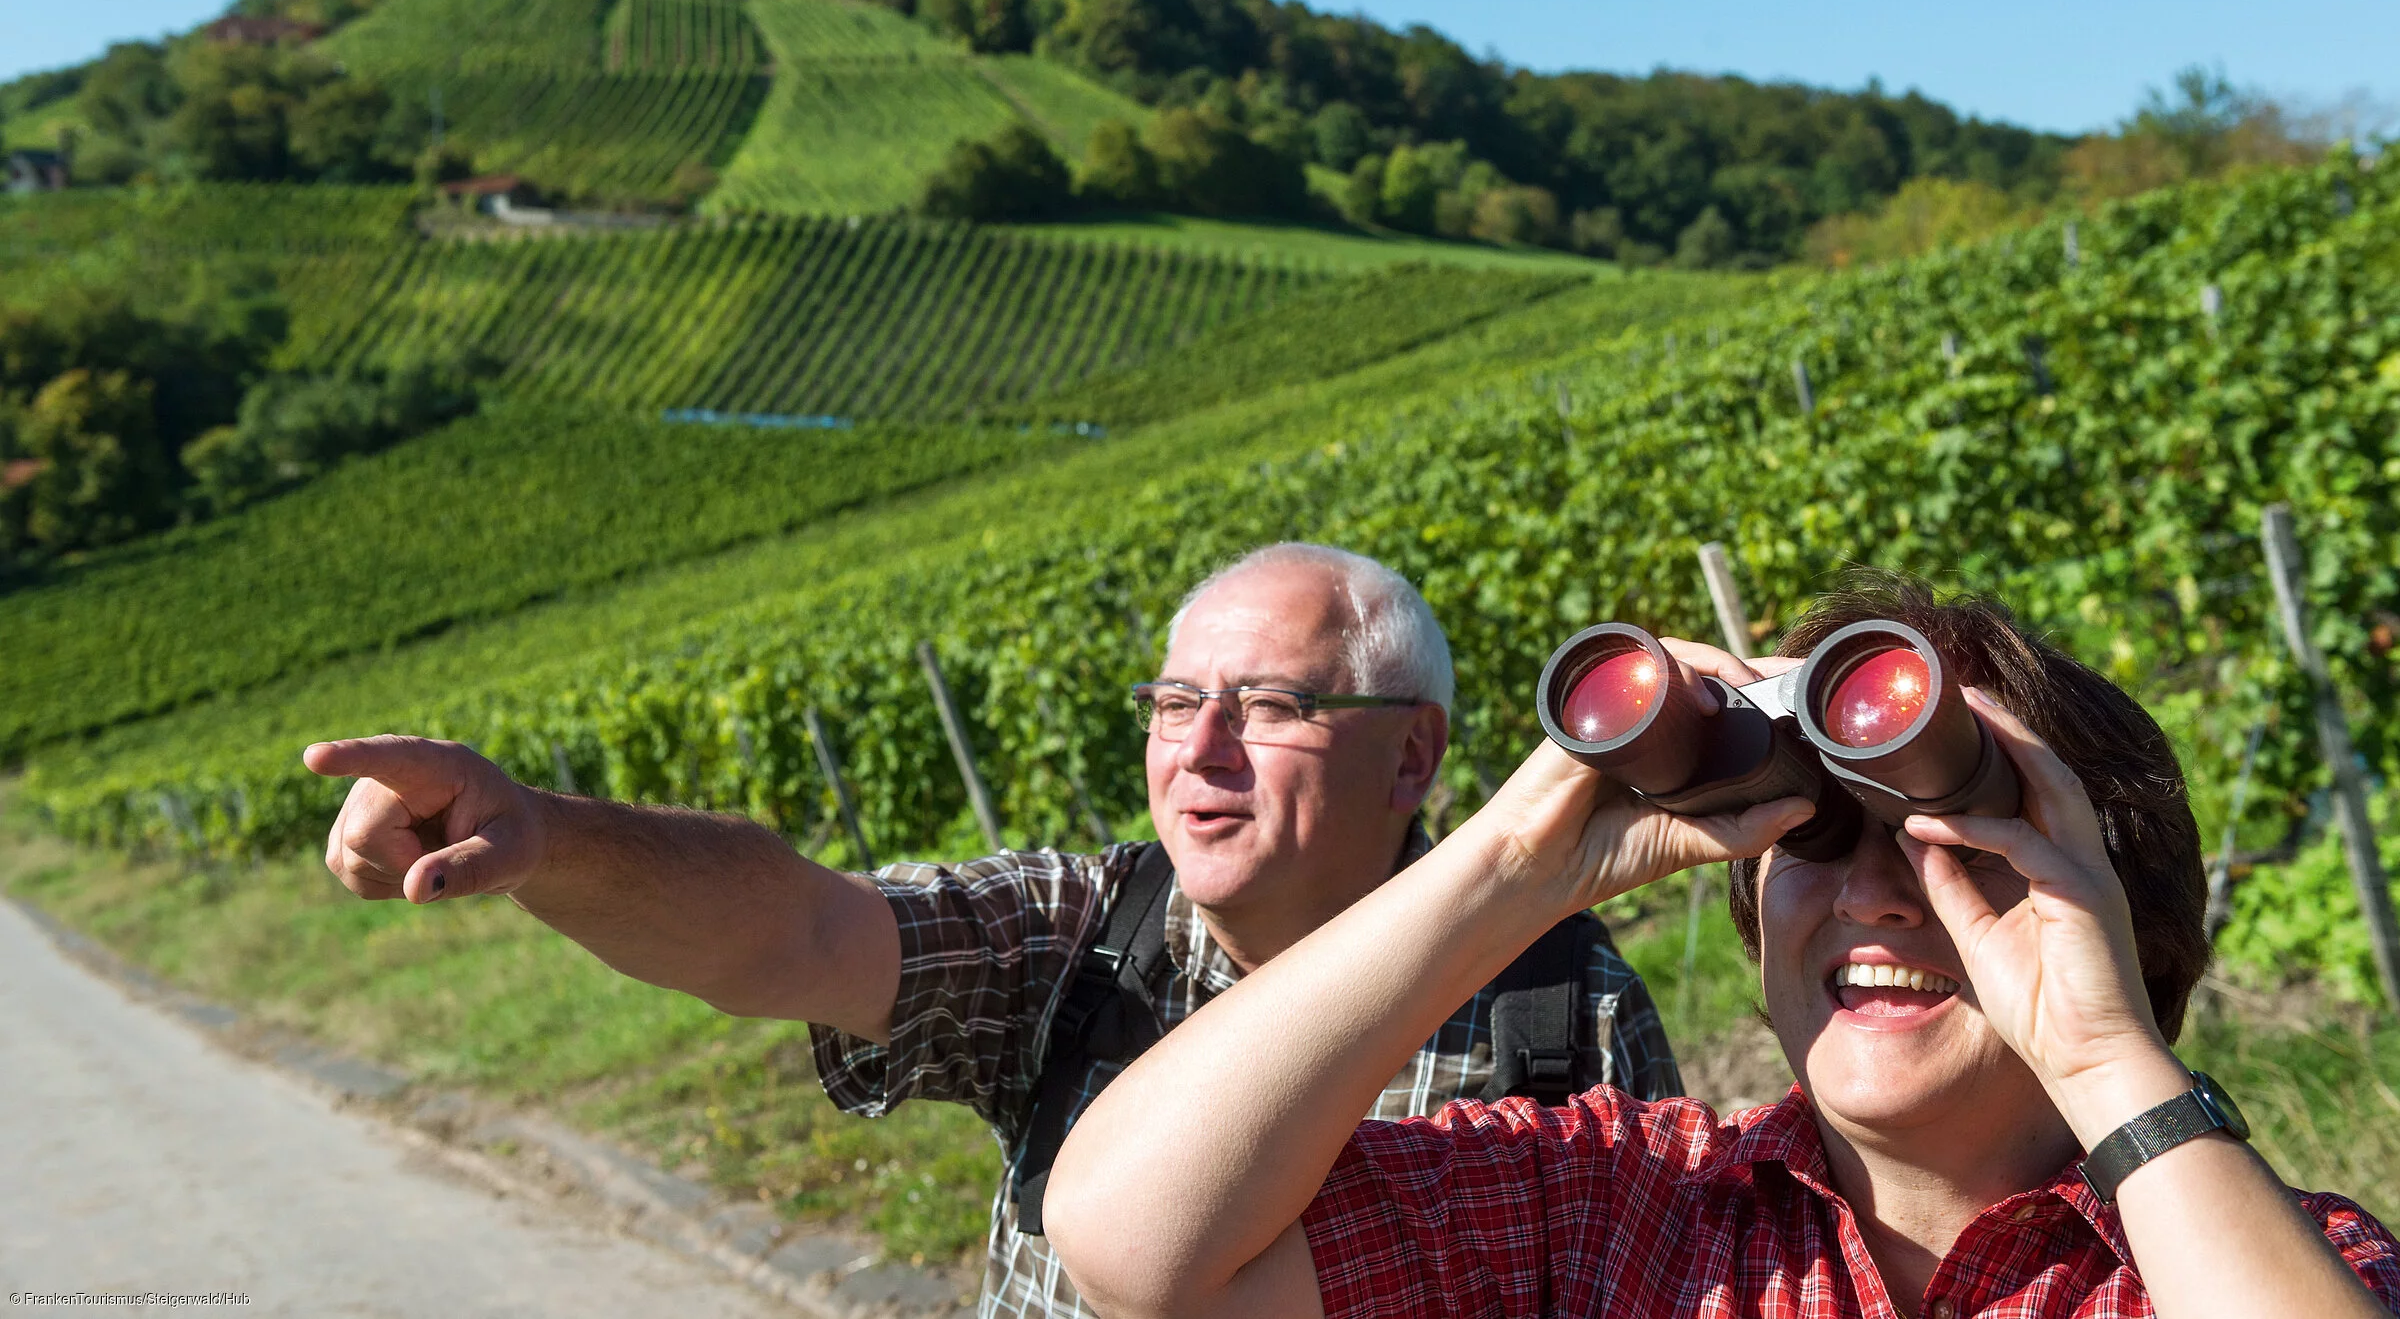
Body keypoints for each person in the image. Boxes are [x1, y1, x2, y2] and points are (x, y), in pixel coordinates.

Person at [310, 542, 1683, 1318]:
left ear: (1413, 758)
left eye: (1267, 706)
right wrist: (547, 838)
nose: (1199, 751)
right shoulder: (1083, 932)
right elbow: (793, 930)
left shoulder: (1559, 1006)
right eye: (1170, 702)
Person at [1042, 577, 2400, 1318]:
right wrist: (1516, 865)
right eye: (1817, 839)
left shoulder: (2277, 1265)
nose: (1874, 896)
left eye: (1960, 846)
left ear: (2116, 912)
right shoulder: (1610, 1206)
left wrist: (2108, 1056)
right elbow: (1130, 1244)